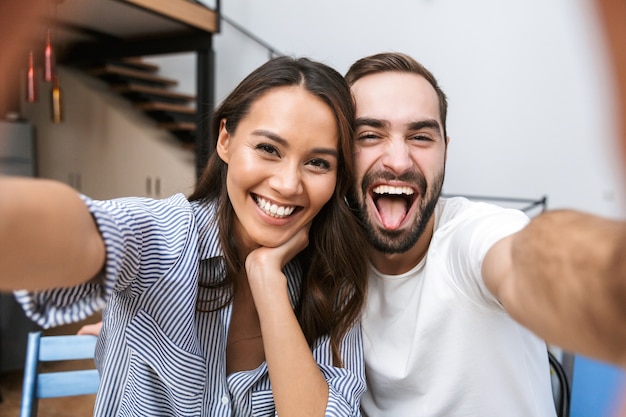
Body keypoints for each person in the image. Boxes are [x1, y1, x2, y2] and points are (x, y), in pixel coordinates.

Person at [0, 56, 370, 417]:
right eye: (268, 149)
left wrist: (267, 281)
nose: (288, 185)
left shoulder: (333, 281)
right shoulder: (164, 235)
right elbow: (86, 230)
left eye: (318, 163)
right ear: (224, 139)